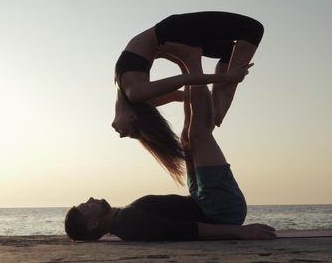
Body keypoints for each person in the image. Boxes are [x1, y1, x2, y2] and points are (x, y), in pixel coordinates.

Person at [67, 43, 274, 241]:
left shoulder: (124, 223)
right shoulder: (128, 224)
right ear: (92, 224)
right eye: (85, 207)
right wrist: (237, 232)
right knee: (198, 133)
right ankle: (191, 60)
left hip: (204, 201)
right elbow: (183, 230)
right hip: (219, 211)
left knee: (188, 137)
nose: (91, 199)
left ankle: (193, 67)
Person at [112, 11, 263, 183]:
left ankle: (222, 98)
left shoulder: (135, 93)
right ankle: (219, 102)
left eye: (132, 134)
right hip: (176, 35)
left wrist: (227, 77)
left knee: (253, 29)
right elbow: (178, 95)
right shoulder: (139, 98)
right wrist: (209, 106)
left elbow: (184, 79)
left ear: (132, 116)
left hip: (173, 31)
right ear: (132, 117)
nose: (122, 136)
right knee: (235, 47)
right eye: (130, 134)